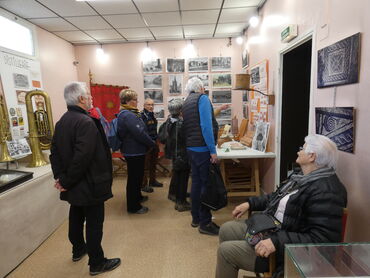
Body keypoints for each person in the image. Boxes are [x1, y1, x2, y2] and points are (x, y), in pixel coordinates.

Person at [215, 134, 347, 278]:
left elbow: (322, 240)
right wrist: (250, 203)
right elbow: (276, 197)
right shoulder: (301, 177)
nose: (298, 151)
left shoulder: (327, 192)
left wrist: (276, 241)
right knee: (226, 229)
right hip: (273, 228)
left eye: (302, 148)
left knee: (225, 251)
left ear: (312, 156)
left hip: (284, 250)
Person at [50, 82, 121, 276]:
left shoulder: (62, 121)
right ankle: (97, 263)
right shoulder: (85, 122)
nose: (91, 98)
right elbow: (82, 158)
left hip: (75, 184)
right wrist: (65, 180)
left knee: (76, 215)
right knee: (94, 223)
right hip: (90, 183)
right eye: (88, 96)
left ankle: (78, 249)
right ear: (81, 99)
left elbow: (54, 153)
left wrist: (61, 178)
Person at [182, 77, 219, 236]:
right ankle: (205, 222)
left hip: (191, 148)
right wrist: (212, 150)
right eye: (204, 88)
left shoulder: (187, 101)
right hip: (203, 148)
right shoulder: (202, 99)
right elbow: (206, 126)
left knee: (196, 183)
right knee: (206, 185)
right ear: (201, 88)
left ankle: (196, 217)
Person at [117, 89, 155, 214]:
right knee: (134, 178)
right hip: (133, 151)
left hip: (135, 150)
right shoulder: (127, 114)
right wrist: (151, 143)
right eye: (134, 99)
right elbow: (139, 133)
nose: (136, 102)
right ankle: (133, 206)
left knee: (137, 177)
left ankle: (137, 197)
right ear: (127, 101)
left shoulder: (128, 113)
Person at [166, 98, 191, 212]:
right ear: (181, 110)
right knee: (183, 178)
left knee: (177, 175)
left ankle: (173, 194)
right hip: (182, 153)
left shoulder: (170, 120)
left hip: (175, 153)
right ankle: (181, 203)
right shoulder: (181, 123)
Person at [140, 98, 163, 193]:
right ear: (144, 105)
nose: (151, 106)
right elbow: (142, 132)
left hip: (154, 143)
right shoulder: (141, 116)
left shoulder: (152, 115)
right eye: (148, 105)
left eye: (152, 105)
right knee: (145, 166)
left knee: (154, 164)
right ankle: (144, 184)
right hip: (146, 145)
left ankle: (152, 181)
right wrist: (149, 142)